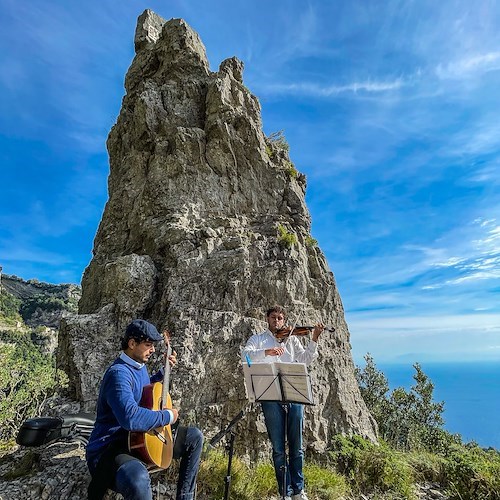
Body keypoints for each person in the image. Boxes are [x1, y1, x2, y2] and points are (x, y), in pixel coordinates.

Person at [86, 319, 203, 500]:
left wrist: (162, 373)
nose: (153, 350)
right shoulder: (118, 374)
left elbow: (143, 392)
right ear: (132, 344)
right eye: (148, 345)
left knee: (194, 437)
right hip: (112, 448)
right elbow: (130, 418)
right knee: (139, 479)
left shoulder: (138, 366)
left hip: (138, 438)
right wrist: (167, 416)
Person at [241, 306, 324, 500]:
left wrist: (314, 339)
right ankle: (284, 492)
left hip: (294, 396)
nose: (277, 321)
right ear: (267, 319)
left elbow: (305, 359)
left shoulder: (292, 339)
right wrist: (267, 352)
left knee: (297, 446)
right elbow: (245, 356)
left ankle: (298, 490)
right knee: (278, 448)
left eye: (280, 318)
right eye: (273, 317)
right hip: (270, 397)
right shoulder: (258, 339)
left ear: (284, 320)